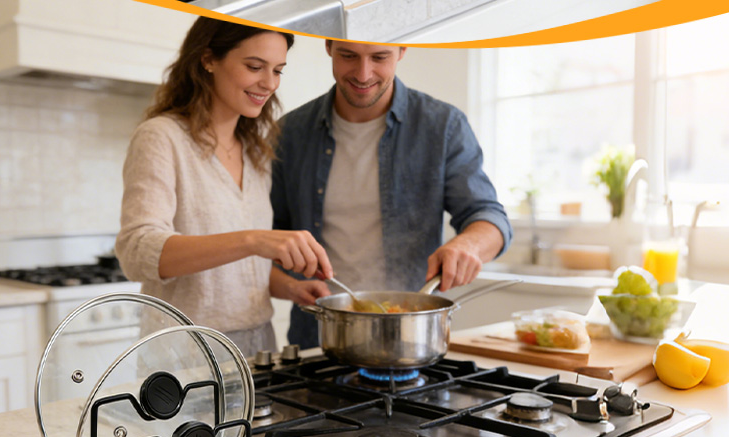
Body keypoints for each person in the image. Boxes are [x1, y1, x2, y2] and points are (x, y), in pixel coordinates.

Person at [271, 41, 513, 349]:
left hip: (413, 341)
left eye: (379, 57)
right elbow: (269, 239)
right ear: (329, 47)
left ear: (402, 50)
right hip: (317, 338)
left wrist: (469, 244)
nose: (363, 73)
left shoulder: (442, 126)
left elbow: (490, 217)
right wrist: (289, 284)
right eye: (348, 56)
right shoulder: (290, 133)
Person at [116, 18, 333, 356]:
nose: (269, 83)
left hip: (257, 349)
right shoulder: (162, 137)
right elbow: (137, 253)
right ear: (208, 59)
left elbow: (238, 269)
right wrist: (254, 239)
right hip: (185, 354)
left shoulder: (255, 150)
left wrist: (291, 287)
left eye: (278, 70)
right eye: (254, 66)